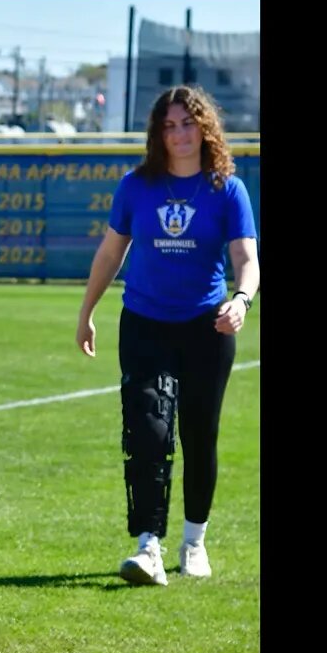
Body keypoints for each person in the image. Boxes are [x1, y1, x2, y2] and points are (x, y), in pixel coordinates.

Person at [75, 85, 260, 587]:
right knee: (148, 431)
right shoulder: (137, 185)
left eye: (188, 123)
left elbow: (245, 258)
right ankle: (148, 546)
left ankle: (194, 540)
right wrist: (87, 310)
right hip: (144, 323)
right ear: (158, 133)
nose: (179, 134)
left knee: (200, 436)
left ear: (205, 128)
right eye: (169, 125)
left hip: (207, 326)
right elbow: (111, 253)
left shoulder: (227, 189)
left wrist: (241, 300)